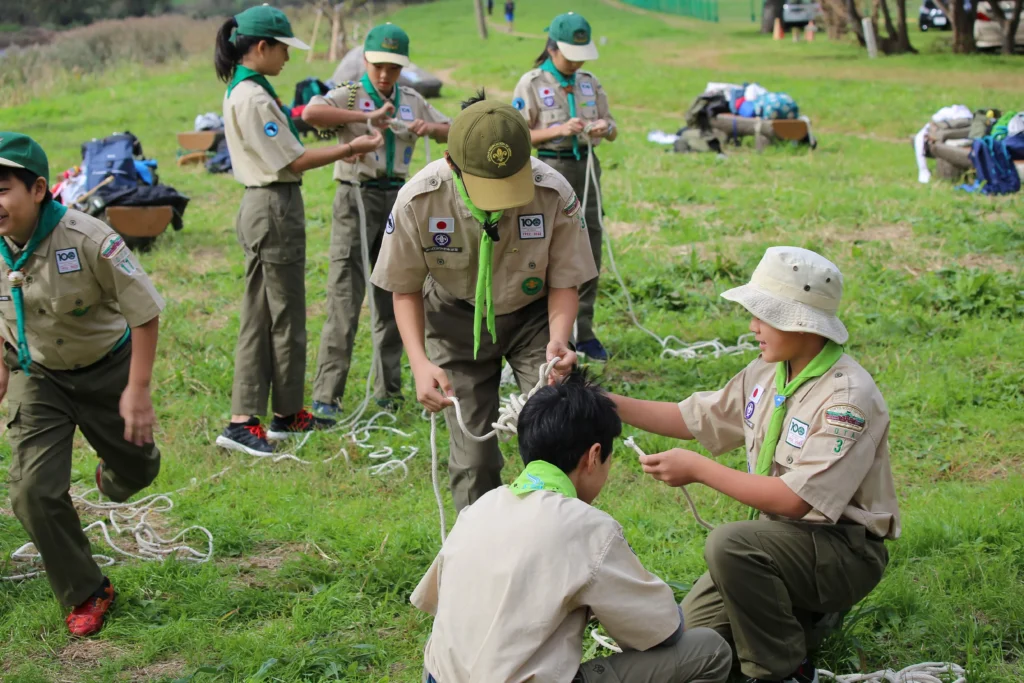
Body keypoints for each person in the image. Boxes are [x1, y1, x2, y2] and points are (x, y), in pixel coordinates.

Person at [607, 247, 901, 683]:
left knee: (731, 545)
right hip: (781, 545)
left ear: (799, 322)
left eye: (764, 316)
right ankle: (802, 618)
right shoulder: (767, 373)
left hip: (842, 551)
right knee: (694, 645)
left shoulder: (846, 397)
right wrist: (604, 403)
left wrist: (700, 469)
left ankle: (783, 670)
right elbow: (694, 418)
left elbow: (794, 501)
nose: (752, 326)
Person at [410, 370, 733, 683]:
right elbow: (663, 631)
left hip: (437, 676)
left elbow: (437, 600)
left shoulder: (479, 507)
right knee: (708, 650)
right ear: (593, 456)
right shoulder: (588, 528)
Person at [371, 95, 597, 511]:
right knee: (474, 459)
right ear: (452, 162)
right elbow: (402, 288)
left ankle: (559, 542)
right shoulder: (419, 199)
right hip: (456, 320)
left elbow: (566, 279)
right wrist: (420, 363)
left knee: (558, 436)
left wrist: (560, 342)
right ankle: (476, 554)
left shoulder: (551, 190)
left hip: (534, 319)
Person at [0, 133, 164, 637]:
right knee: (32, 491)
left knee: (136, 468)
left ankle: (114, 472)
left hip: (105, 368)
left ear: (38, 189)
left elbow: (144, 311)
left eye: (2, 188)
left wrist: (136, 391)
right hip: (37, 372)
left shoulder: (88, 237)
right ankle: (88, 590)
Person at [212, 5, 383, 455]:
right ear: (262, 47)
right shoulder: (252, 97)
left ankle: (286, 412)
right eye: (283, 49)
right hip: (272, 206)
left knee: (271, 312)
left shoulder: (252, 91)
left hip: (270, 204)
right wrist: (352, 147)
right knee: (279, 317)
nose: (287, 58)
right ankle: (243, 420)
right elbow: (292, 160)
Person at [302, 23, 451, 417]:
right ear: (365, 60)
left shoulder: (412, 99)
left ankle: (390, 392)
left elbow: (452, 130)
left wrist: (430, 127)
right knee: (344, 296)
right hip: (355, 197)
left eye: (394, 68)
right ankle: (326, 397)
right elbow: (311, 112)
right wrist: (362, 117)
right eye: (379, 65)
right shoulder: (349, 93)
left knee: (395, 294)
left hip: (400, 202)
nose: (385, 75)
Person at [512, 12, 617, 362]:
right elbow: (518, 135)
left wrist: (603, 126)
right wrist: (557, 130)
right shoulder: (532, 82)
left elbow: (612, 125)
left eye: (581, 53)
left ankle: (582, 332)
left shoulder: (589, 81)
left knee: (588, 249)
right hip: (547, 169)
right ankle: (544, 335)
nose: (577, 61)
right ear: (553, 47)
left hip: (587, 168)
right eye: (570, 53)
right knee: (545, 250)